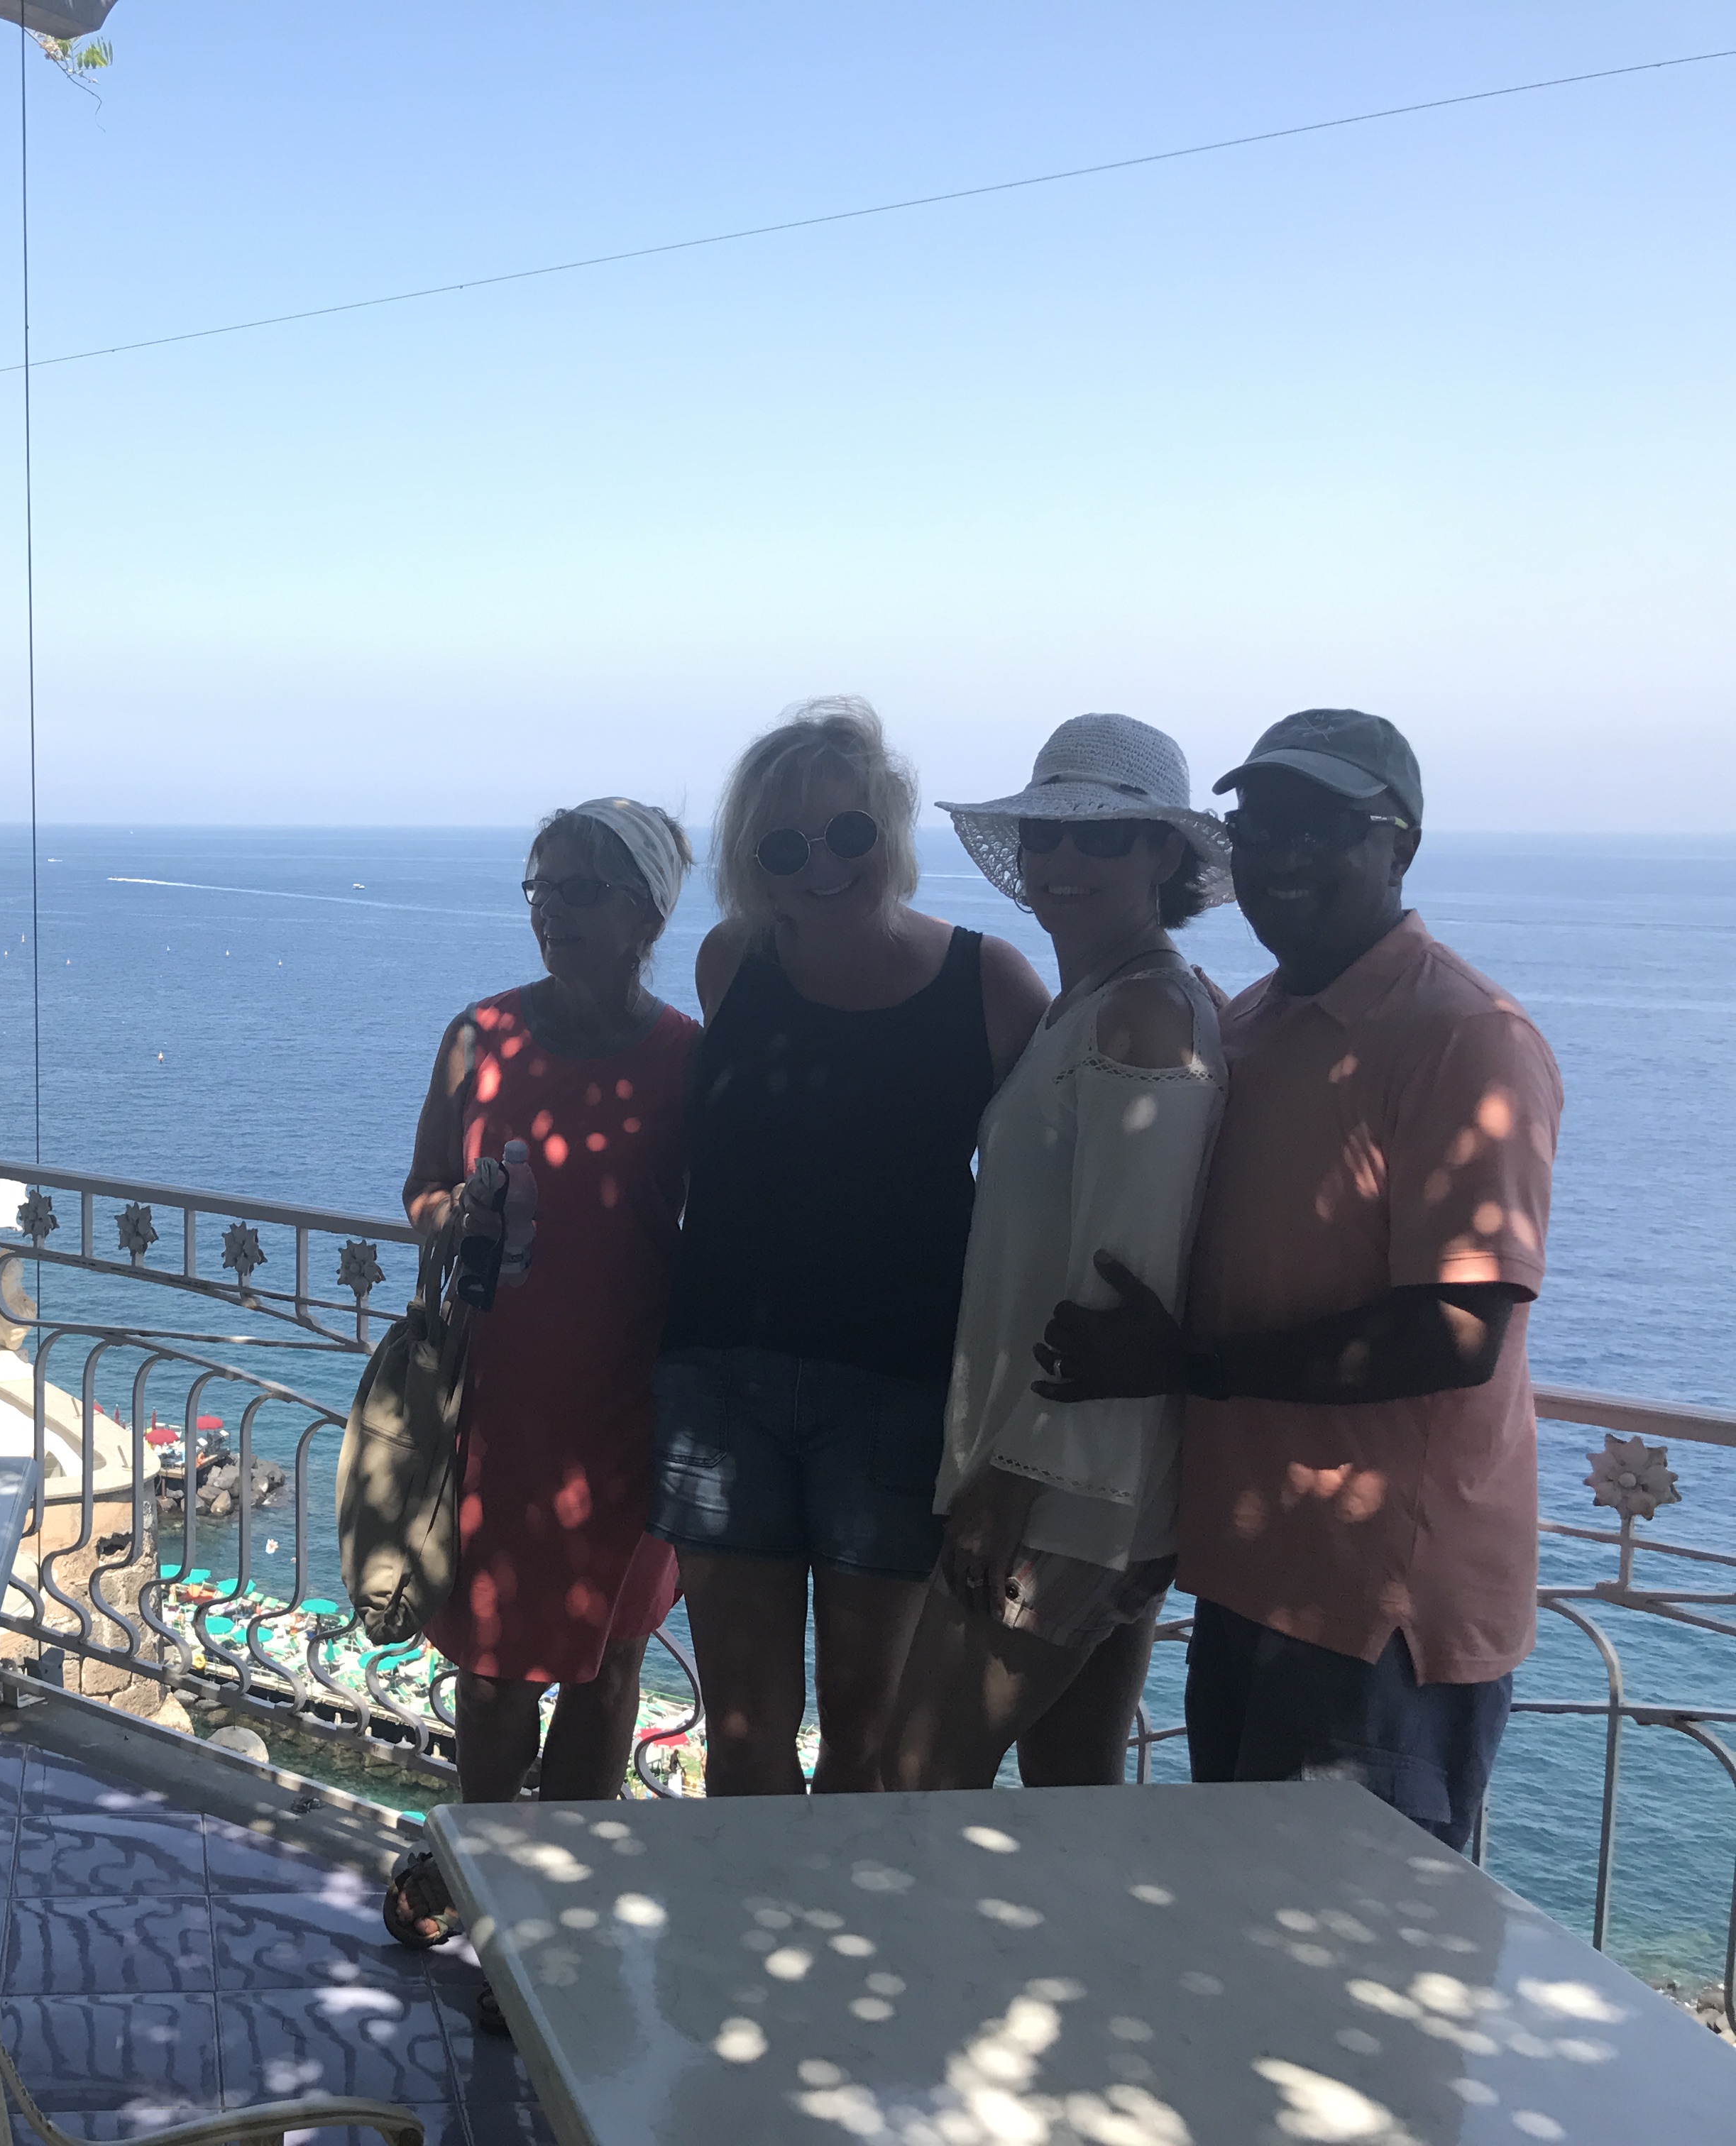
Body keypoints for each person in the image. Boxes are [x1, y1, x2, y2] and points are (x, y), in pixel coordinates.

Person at [1033, 710, 1559, 1850]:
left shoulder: (1466, 1036)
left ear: (1400, 845)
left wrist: (1186, 1364)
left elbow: (1457, 1331)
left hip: (1378, 1613)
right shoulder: (1252, 1022)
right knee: (1242, 1933)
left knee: (1348, 1946)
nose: (1281, 855)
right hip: (1250, 1575)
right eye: (1261, 826)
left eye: (1322, 827)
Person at [650, 699, 1045, 1794]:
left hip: (899, 1393)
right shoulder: (732, 962)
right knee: (741, 1735)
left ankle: (839, 1914)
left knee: (865, 1742)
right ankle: (748, 1913)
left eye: (849, 833)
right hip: (722, 1382)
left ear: (892, 830)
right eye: (786, 847)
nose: (822, 867)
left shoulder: (990, 986)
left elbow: (1045, 1200)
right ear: (752, 863)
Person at [380, 800, 700, 1976]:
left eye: (579, 890)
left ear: (648, 915)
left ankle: (547, 1918)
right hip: (499, 1408)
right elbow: (420, 1185)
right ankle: (491, 1901)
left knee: (608, 1670)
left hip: (632, 1414)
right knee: (495, 1674)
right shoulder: (478, 1038)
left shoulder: (690, 1064)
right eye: (539, 887)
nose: (550, 912)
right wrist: (453, 1214)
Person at [884, 715, 1231, 1790]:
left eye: (1103, 837)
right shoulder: (1094, 1005)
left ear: (1163, 853)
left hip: (1066, 1491)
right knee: (1070, 1801)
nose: (1064, 859)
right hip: (1094, 1485)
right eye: (1046, 834)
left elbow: (1121, 1295)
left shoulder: (1143, 1020)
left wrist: (1007, 1484)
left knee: (915, 1776)